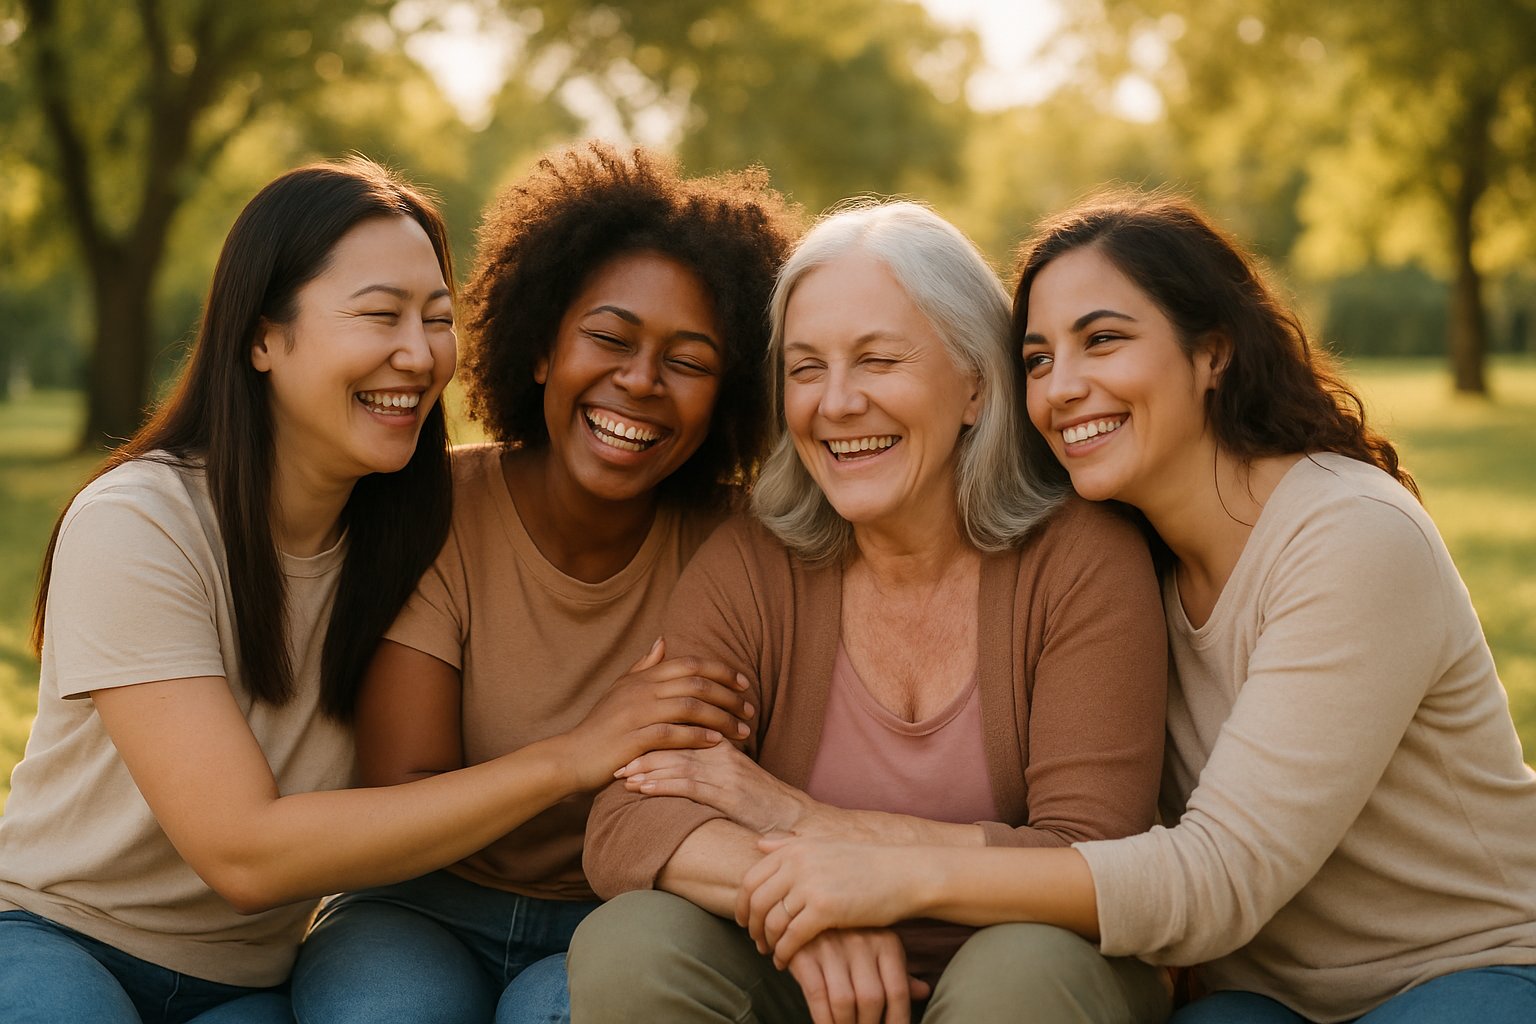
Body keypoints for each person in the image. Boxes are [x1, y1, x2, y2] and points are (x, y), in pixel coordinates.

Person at [707, 190, 1536, 1024]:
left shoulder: (1351, 538)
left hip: (1475, 970)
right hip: (1270, 1002)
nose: (1064, 387)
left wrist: (866, 852)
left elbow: (1217, 878)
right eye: (1036, 360)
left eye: (1103, 340)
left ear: (1212, 352)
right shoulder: (1123, 544)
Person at [0, 157, 755, 1024]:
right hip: (55, 932)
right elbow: (243, 853)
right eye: (378, 315)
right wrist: (572, 756)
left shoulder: (408, 520)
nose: (418, 353)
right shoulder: (140, 523)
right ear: (260, 336)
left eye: (438, 319)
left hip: (249, 981)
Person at [567, 200, 1173, 1024]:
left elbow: (1092, 858)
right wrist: (797, 902)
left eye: (879, 361)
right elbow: (632, 814)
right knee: (633, 943)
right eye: (807, 368)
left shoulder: (1080, 558)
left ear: (973, 384)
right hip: (810, 983)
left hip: (1030, 968)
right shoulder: (755, 560)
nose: (837, 403)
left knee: (1015, 976)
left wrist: (823, 840)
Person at [288, 143, 798, 1024]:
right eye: (608, 338)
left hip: (622, 911)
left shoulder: (739, 543)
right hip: (419, 901)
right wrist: (590, 747)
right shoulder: (440, 505)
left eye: (688, 360)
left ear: (729, 394)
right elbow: (404, 784)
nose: (639, 381)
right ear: (540, 352)